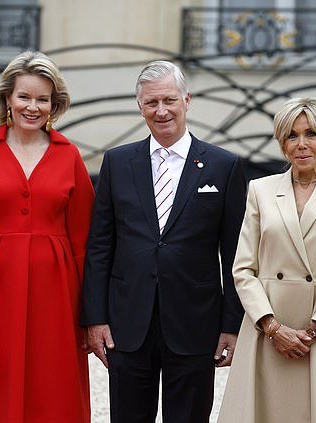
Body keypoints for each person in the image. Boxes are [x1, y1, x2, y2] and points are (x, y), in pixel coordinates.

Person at [81, 60, 247, 422]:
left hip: (195, 322)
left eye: (169, 100)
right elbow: (99, 246)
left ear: (187, 100)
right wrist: (95, 319)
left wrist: (231, 325)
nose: (161, 111)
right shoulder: (117, 162)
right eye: (151, 103)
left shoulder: (224, 166)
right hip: (127, 324)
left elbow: (235, 253)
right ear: (140, 106)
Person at [0, 51, 94, 422]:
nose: (33, 107)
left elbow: (85, 243)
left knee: (51, 382)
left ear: (54, 104)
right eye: (24, 97)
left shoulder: (69, 154)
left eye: (42, 99)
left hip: (57, 292)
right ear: (7, 99)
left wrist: (90, 312)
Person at [218, 97, 316, 423]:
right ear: (281, 142)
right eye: (291, 135)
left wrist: (313, 330)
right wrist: (273, 327)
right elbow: (243, 269)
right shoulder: (260, 191)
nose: (301, 144)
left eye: (311, 134)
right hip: (268, 333)